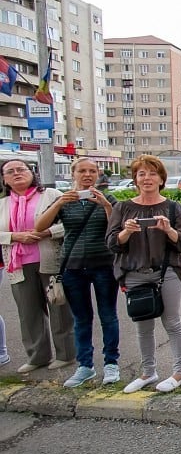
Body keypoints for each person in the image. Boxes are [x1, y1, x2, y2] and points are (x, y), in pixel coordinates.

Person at [106, 155, 181, 394]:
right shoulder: (122, 208)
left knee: (172, 321)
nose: (147, 178)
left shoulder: (173, 207)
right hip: (133, 272)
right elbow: (112, 243)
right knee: (143, 325)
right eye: (141, 174)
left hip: (167, 271)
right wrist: (126, 232)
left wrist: (168, 229)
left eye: (152, 173)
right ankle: (148, 371)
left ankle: (179, 371)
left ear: (162, 178)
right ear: (135, 179)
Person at [35, 158, 120, 387]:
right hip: (72, 266)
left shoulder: (107, 198)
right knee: (81, 319)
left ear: (98, 174)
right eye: (82, 171)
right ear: (73, 173)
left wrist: (105, 205)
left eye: (92, 171)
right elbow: (39, 227)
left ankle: (111, 363)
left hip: (103, 264)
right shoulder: (65, 199)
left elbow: (117, 228)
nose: (87, 175)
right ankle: (85, 366)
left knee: (108, 315)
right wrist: (59, 203)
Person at [0, 159, 75, 373]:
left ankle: (66, 354)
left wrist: (47, 232)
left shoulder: (51, 196)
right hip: (18, 265)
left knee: (59, 307)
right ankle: (37, 357)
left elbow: (70, 222)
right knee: (28, 312)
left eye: (21, 169)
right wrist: (15, 236)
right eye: (10, 171)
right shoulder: (2, 204)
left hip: (50, 260)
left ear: (32, 173)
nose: (16, 174)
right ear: (4, 179)